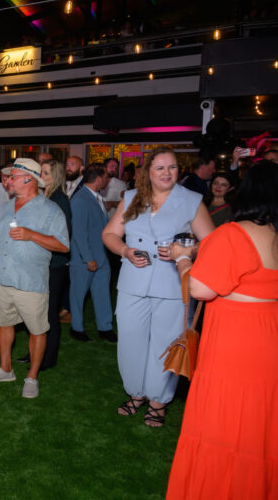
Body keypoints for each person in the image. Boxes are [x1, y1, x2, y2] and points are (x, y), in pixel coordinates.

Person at [166, 161, 278, 498]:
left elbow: (201, 289)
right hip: (267, 336)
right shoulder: (273, 233)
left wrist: (182, 257)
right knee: (258, 424)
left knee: (224, 421)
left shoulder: (234, 232)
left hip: (234, 342)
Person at [102, 146, 214, 427]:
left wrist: (186, 250)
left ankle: (158, 401)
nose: (167, 173)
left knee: (165, 344)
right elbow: (110, 233)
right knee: (130, 342)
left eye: (173, 167)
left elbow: (212, 243)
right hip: (132, 282)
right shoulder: (131, 198)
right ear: (148, 172)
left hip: (172, 284)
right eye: (160, 168)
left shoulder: (191, 201)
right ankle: (136, 394)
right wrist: (126, 251)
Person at [0, 158, 69, 399]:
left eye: (13, 176)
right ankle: (6, 368)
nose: (7, 180)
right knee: (4, 323)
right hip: (3, 278)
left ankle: (32, 377)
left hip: (31, 281)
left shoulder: (50, 209)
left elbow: (63, 245)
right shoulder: (7, 207)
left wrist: (32, 235)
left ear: (29, 179)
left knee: (37, 330)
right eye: (8, 176)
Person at [68, 164, 116, 342]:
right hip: (85, 259)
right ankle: (77, 328)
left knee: (103, 293)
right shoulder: (80, 200)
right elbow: (79, 233)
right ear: (98, 180)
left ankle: (105, 327)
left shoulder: (96, 197)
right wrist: (88, 258)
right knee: (78, 295)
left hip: (101, 256)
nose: (107, 180)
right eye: (106, 177)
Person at [37, 159, 71, 370]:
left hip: (55, 264)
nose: (42, 176)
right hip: (44, 262)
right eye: (41, 172)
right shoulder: (46, 197)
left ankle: (48, 358)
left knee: (49, 312)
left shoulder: (60, 200)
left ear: (56, 176)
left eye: (46, 173)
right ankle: (37, 352)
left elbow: (63, 236)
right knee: (39, 311)